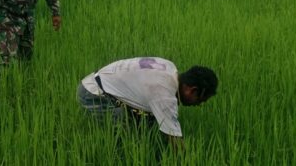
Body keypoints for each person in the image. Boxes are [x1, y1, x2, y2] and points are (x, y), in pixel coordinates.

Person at [77, 57, 218, 150]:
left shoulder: (170, 67)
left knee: (149, 125)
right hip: (94, 93)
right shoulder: (164, 96)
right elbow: (176, 142)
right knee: (124, 140)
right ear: (192, 91)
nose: (199, 105)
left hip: (101, 82)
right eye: (201, 100)